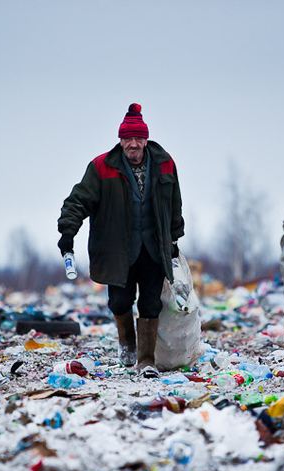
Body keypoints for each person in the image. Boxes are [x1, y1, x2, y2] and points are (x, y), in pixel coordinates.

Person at [57, 103, 184, 377]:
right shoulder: (102, 167)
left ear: (146, 140)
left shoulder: (165, 163)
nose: (133, 144)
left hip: (153, 248)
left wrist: (174, 238)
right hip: (117, 250)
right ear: (121, 140)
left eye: (138, 139)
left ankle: (146, 360)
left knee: (151, 303)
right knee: (119, 302)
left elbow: (174, 203)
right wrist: (68, 232)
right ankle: (127, 344)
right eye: (128, 139)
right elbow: (78, 201)